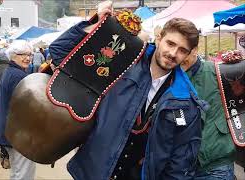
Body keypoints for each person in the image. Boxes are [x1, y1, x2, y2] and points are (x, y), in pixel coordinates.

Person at [49, 1, 206, 179]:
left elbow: (181, 162)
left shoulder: (187, 102)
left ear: (188, 54)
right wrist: (98, 25)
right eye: (170, 43)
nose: (173, 53)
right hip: (92, 172)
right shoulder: (123, 60)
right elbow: (58, 52)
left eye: (182, 50)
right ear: (159, 37)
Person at [181, 50, 236, 179]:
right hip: (182, 166)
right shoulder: (170, 75)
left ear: (194, 49)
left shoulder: (216, 70)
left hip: (217, 162)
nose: (180, 55)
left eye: (185, 50)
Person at [0, 41, 36, 180]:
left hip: (11, 132)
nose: (27, 58)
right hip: (19, 134)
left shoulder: (11, 72)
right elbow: (26, 107)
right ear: (13, 56)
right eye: (23, 55)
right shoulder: (18, 75)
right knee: (23, 174)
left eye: (30, 55)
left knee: (17, 172)